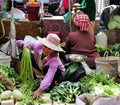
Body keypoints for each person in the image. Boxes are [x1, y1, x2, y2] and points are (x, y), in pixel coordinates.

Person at [16, 33, 66, 98]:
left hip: (58, 74)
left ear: (54, 50)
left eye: (50, 48)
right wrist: (23, 45)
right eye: (45, 46)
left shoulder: (54, 59)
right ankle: (33, 80)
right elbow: (18, 42)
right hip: (41, 66)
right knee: (23, 54)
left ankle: (50, 85)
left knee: (48, 72)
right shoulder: (38, 45)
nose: (46, 50)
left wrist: (39, 90)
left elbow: (49, 76)